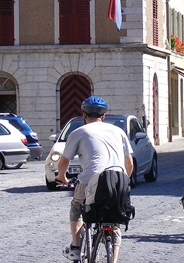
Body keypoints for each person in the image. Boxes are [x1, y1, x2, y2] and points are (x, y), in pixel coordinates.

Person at [56, 96, 134, 263]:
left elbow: (64, 161)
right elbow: (129, 162)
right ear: (103, 116)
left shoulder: (78, 132)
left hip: (91, 179)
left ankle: (76, 248)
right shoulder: (118, 131)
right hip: (119, 178)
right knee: (115, 218)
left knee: (77, 207)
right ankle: (113, 260)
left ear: (84, 115)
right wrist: (123, 182)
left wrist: (61, 176)